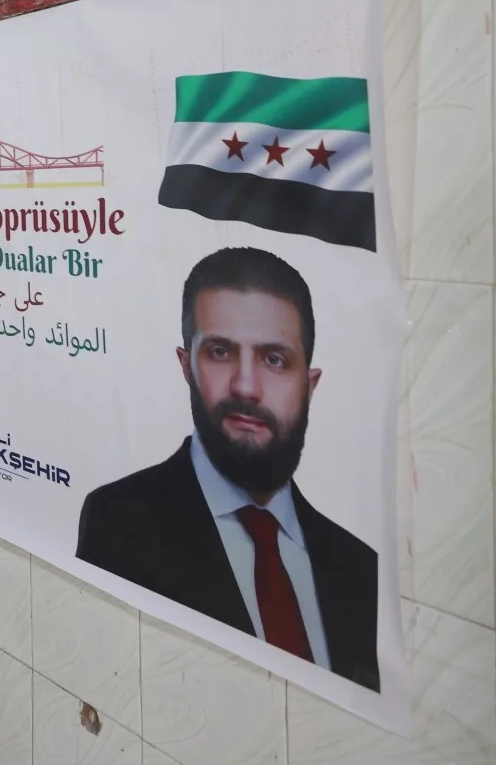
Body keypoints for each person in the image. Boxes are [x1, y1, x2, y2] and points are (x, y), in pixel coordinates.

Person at [75, 247, 379, 691]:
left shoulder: (360, 569)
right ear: (186, 366)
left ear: (309, 385)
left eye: (274, 360)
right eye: (220, 352)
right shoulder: (118, 524)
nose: (246, 387)